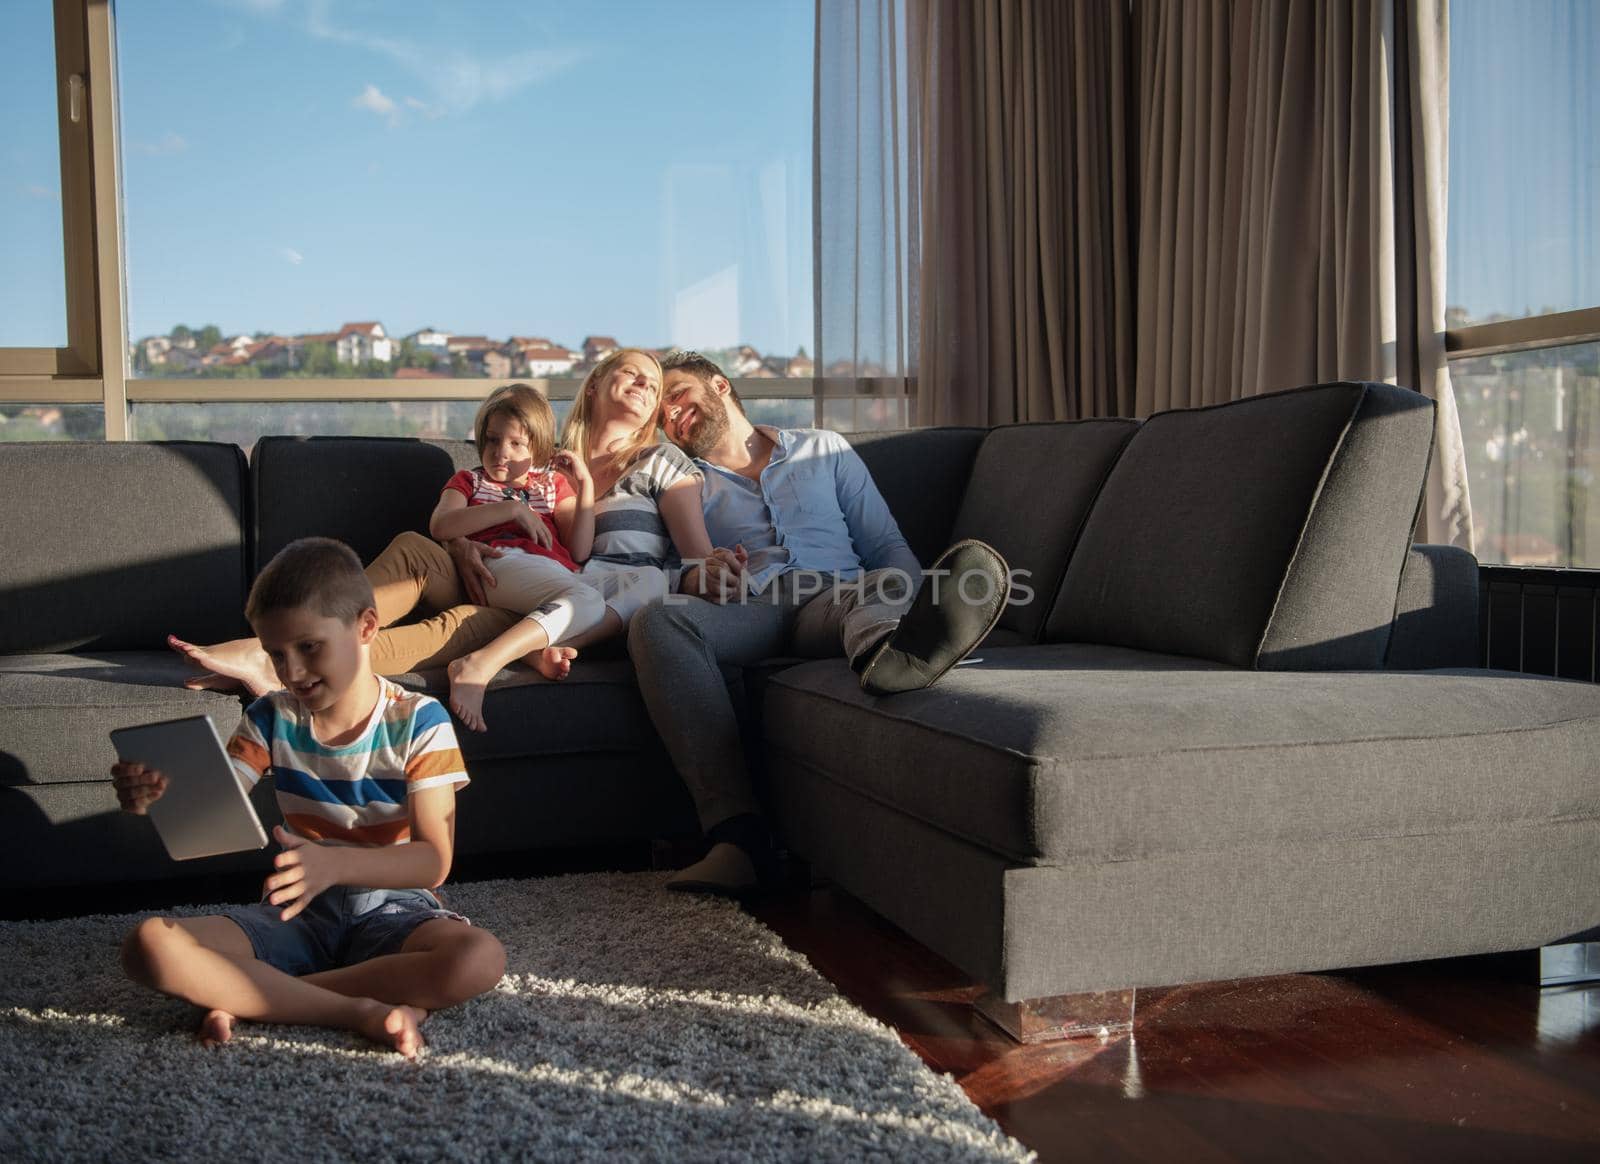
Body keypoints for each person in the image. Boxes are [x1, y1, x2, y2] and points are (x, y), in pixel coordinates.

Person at [627, 351, 1009, 898]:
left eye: (679, 395)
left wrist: (904, 593)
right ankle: (738, 841)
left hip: (836, 597)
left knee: (881, 584)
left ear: (720, 385)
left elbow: (886, 547)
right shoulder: (674, 480)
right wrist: (695, 580)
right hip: (748, 607)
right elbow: (661, 566)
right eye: (661, 413)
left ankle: (893, 647)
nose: (671, 414)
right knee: (656, 623)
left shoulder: (822, 447)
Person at [170, 351, 744, 715]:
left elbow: (589, 551)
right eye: (634, 374)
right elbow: (444, 522)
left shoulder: (634, 470)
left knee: (464, 627)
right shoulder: (532, 468)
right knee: (415, 547)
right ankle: (289, 643)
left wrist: (716, 569)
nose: (648, 390)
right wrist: (466, 539)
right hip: (501, 573)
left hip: (555, 596)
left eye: (656, 388)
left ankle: (285, 667)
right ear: (595, 384)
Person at [112, 537, 506, 1058]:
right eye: (276, 654)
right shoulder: (271, 718)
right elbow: (215, 808)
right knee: (149, 945)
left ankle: (256, 995)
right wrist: (155, 796)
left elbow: (433, 861)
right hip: (298, 909)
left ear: (367, 627)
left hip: (393, 912)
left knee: (478, 958)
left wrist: (335, 864)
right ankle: (358, 1008)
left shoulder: (419, 720)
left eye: (309, 647)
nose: (291, 672)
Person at [428, 382, 608, 731]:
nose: (500, 453)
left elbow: (580, 549)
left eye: (515, 444)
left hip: (548, 576)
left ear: (537, 449)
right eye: (493, 440)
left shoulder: (552, 485)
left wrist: (584, 485)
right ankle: (478, 665)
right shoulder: (470, 481)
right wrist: (510, 510)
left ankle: (529, 650)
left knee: (602, 601)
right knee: (589, 602)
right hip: (499, 562)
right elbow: (441, 525)